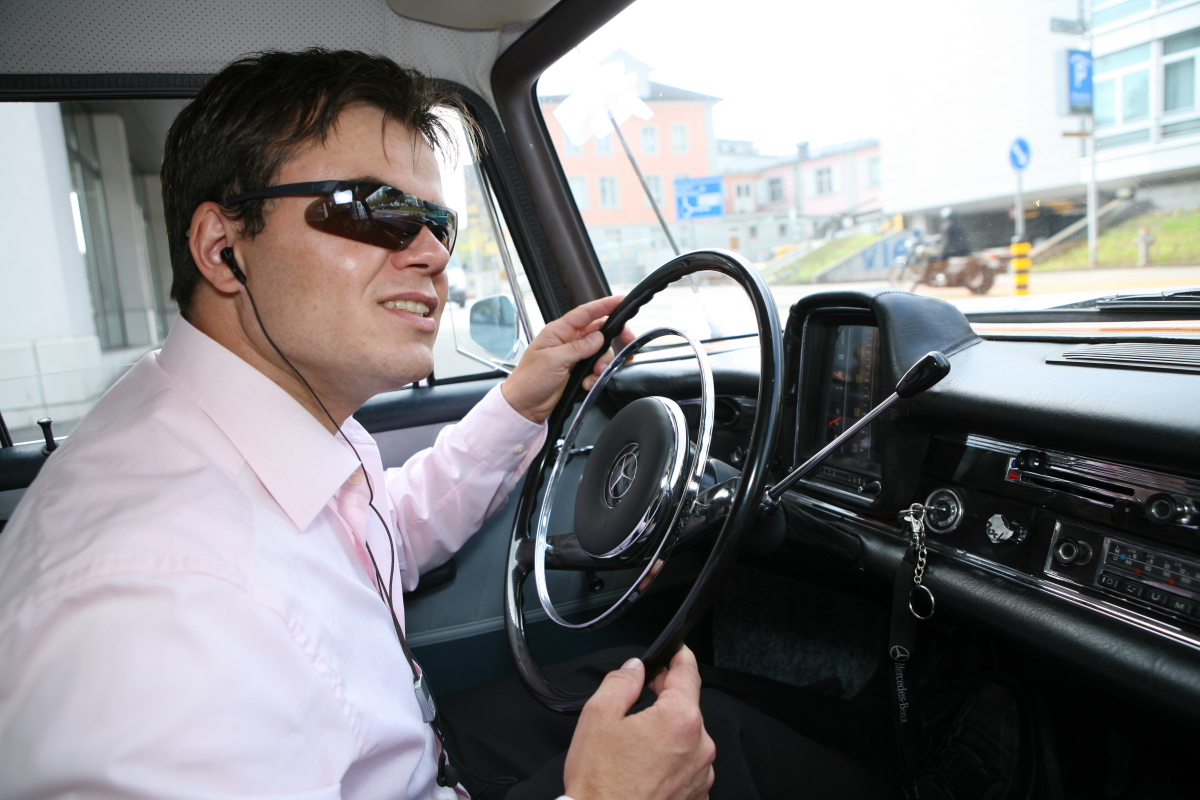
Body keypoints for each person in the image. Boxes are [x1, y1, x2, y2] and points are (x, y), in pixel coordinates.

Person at [0, 50, 884, 800]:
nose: (430, 253)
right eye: (374, 209)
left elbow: (380, 532)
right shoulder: (155, 612)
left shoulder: (243, 421)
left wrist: (520, 403)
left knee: (650, 693)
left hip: (414, 753)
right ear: (223, 247)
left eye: (436, 221)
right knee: (726, 747)